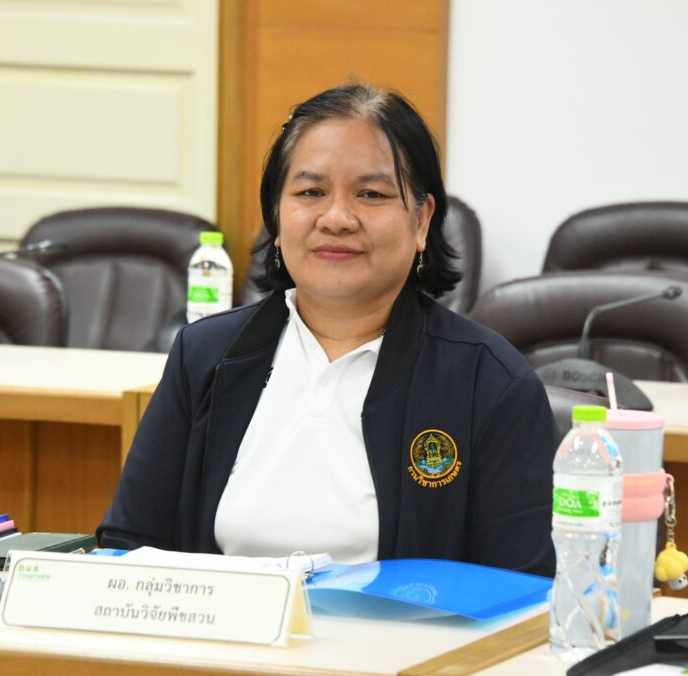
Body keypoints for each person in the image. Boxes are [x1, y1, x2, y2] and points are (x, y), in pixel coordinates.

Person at [97, 84, 557, 576]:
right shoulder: (204, 355)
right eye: (310, 192)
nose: (336, 219)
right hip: (223, 627)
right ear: (277, 217)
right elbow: (129, 548)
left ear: (422, 220)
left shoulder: (490, 383)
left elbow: (522, 593)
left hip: (410, 630)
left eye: (371, 194)